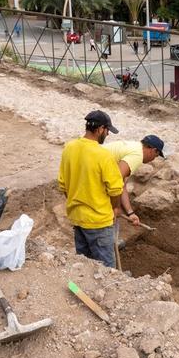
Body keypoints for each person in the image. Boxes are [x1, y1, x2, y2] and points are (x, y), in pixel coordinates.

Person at [58, 110, 124, 268]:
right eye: (107, 131)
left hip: (77, 218)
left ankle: (86, 290)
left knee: (84, 267)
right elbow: (116, 190)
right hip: (99, 222)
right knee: (107, 270)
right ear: (101, 129)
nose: (107, 135)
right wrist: (114, 208)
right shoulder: (103, 155)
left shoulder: (69, 148)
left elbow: (63, 185)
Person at [102, 134, 166, 227]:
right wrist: (116, 207)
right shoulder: (137, 155)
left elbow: (121, 184)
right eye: (155, 156)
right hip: (92, 174)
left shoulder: (134, 147)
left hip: (91, 172)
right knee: (107, 220)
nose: (152, 160)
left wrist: (130, 213)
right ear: (153, 150)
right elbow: (116, 181)